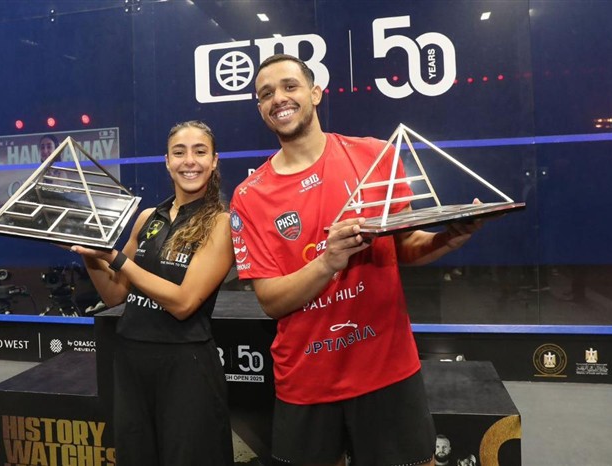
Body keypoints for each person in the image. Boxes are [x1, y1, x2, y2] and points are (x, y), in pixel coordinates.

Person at [229, 54, 488, 466]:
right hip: (307, 381)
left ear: (315, 93)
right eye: (266, 94)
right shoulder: (249, 196)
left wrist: (448, 239)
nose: (278, 98)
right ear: (260, 109)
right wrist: (327, 262)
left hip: (388, 370)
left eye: (290, 86)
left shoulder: (374, 156)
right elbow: (271, 301)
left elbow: (405, 245)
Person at [70, 121, 234, 465]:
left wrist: (116, 258)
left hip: (186, 365)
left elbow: (184, 302)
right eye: (179, 152)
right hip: (132, 359)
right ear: (167, 161)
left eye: (200, 152)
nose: (190, 161)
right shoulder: (148, 217)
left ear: (214, 161)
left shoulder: (221, 223)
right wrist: (88, 253)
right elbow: (115, 295)